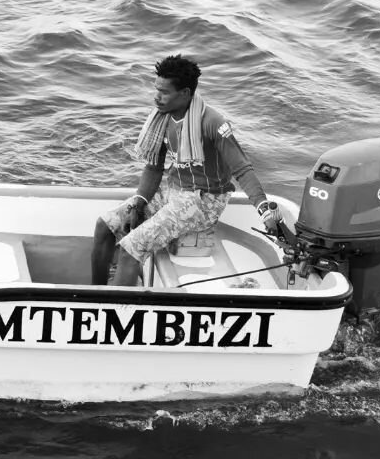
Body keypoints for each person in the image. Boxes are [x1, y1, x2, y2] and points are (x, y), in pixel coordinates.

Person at [91, 54, 284, 286]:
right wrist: (140, 201)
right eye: (156, 89)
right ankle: (97, 293)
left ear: (184, 93)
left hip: (204, 200)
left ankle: (118, 312)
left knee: (130, 248)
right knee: (105, 225)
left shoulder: (212, 122)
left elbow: (242, 169)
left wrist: (263, 208)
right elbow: (154, 167)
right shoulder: (162, 118)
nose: (157, 97)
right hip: (172, 190)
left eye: (164, 92)